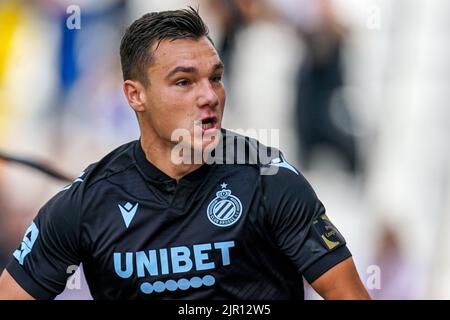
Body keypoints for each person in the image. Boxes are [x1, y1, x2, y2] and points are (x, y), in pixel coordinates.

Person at [0, 7, 369, 300]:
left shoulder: (270, 181)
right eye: (184, 82)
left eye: (215, 78)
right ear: (135, 95)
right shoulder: (86, 203)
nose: (209, 96)